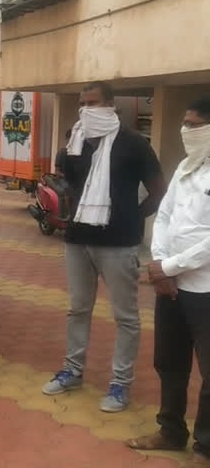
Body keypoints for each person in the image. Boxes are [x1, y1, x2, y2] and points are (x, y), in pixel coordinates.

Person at [42, 81, 166, 412]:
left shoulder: (134, 144)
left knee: (125, 316)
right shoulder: (75, 142)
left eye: (94, 102)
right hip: (77, 240)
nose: (87, 109)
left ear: (111, 104)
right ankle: (72, 370)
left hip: (119, 243)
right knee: (77, 309)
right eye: (83, 103)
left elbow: (158, 190)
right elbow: (69, 185)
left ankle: (119, 385)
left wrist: (133, 217)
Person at [126, 98, 210, 467]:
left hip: (206, 289)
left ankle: (205, 447)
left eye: (193, 125)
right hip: (173, 287)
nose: (185, 131)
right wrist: (160, 264)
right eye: (185, 124)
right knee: (170, 362)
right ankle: (171, 431)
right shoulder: (186, 167)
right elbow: (164, 216)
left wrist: (170, 266)